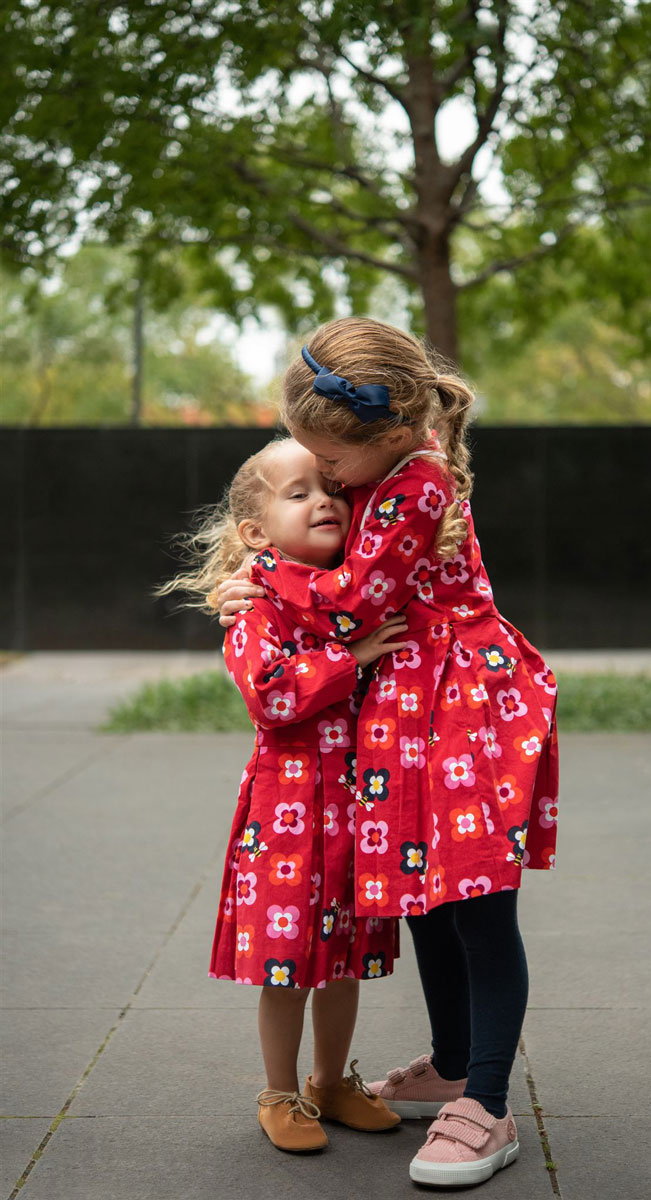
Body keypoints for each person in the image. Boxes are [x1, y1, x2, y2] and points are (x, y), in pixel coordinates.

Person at [218, 316, 559, 1188]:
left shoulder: (416, 483)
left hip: (459, 706)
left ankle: (485, 1102)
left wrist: (260, 573)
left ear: (390, 435)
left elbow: (351, 601)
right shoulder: (393, 453)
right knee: (424, 896)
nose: (326, 480)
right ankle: (452, 1058)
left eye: (330, 463)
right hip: (406, 702)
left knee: (477, 899)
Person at [160, 437, 407, 1153]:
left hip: (354, 810)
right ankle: (280, 1091)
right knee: (288, 962)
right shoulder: (258, 612)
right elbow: (270, 698)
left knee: (345, 960)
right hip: (290, 816)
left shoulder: (353, 595)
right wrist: (350, 657)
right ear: (254, 533)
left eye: (329, 489)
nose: (324, 500)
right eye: (298, 493)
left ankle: (330, 1082)